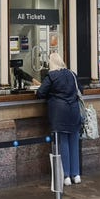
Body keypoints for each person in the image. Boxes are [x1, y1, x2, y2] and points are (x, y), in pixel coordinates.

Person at [36, 52, 83, 186]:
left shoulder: (51, 76)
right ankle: (76, 174)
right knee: (74, 142)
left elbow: (40, 93)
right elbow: (81, 90)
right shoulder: (72, 74)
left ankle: (66, 176)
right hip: (74, 111)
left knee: (63, 143)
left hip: (59, 113)